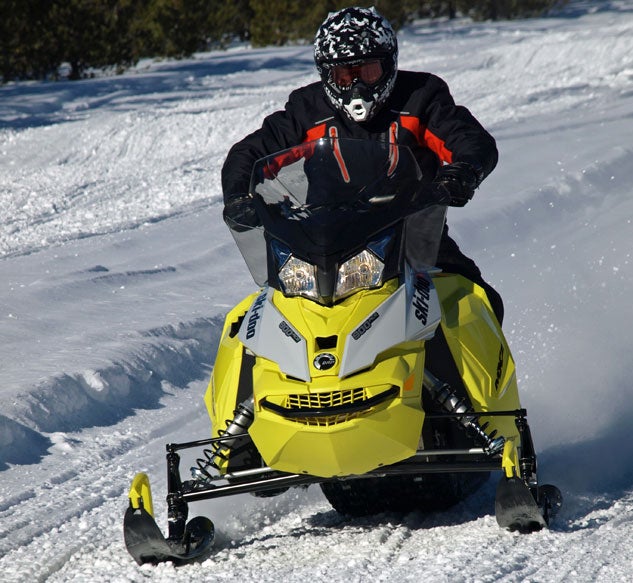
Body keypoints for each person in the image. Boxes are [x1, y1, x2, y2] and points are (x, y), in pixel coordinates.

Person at [221, 6, 503, 324]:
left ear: (389, 65)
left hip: (413, 233)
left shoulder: (421, 98)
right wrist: (238, 196)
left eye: (367, 72)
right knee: (260, 315)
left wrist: (461, 173)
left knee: (476, 298)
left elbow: (469, 139)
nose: (357, 87)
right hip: (322, 241)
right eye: (344, 75)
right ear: (326, 73)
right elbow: (249, 153)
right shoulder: (306, 109)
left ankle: (464, 373)